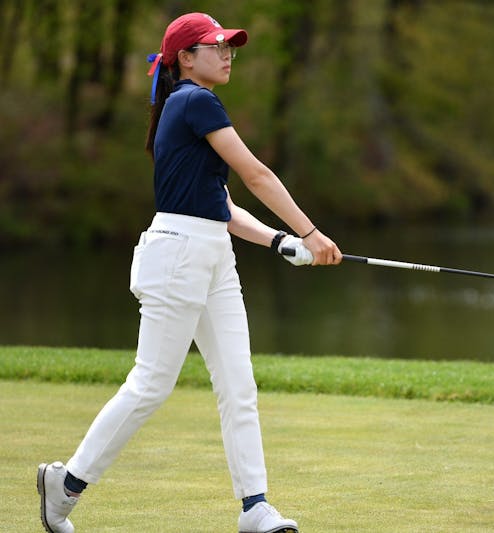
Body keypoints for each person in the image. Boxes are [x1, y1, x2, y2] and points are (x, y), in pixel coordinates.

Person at [37, 12, 341, 533]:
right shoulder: (195, 101)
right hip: (178, 256)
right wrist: (311, 232)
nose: (226, 54)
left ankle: (255, 508)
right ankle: (65, 486)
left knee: (238, 385)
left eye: (230, 47)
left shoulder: (187, 106)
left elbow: (219, 206)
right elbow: (256, 174)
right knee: (152, 384)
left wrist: (280, 240)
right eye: (215, 46)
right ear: (185, 57)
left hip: (213, 254)